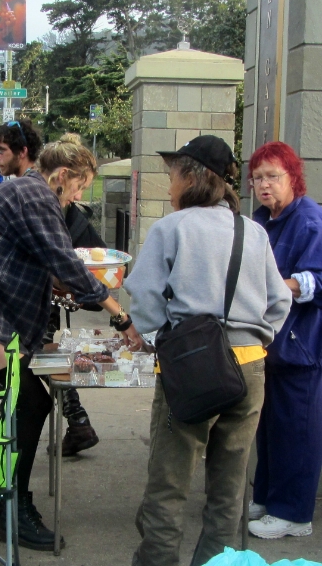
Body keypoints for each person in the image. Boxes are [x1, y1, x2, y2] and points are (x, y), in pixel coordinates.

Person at [0, 137, 143, 552]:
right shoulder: (37, 195)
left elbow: (38, 260)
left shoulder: (20, 188)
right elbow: (67, 263)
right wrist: (121, 316)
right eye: (79, 187)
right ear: (62, 176)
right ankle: (14, 508)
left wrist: (64, 289)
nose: (78, 197)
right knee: (33, 402)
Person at [124, 135, 292, 566]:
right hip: (251, 368)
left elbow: (142, 294)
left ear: (193, 176)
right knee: (229, 490)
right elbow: (280, 301)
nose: (169, 185)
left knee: (169, 485)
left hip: (191, 368)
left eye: (172, 174)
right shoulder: (252, 231)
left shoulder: (171, 228)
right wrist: (255, 339)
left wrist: (163, 338)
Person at [0, 122, 104, 455]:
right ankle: (77, 420)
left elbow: (59, 257)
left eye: (1, 151)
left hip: (23, 302)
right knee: (38, 363)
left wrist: (105, 302)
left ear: (23, 152)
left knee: (28, 371)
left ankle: (9, 455)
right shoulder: (33, 190)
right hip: (29, 297)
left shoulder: (38, 193)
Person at [245, 141, 322, 539]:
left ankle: (294, 513)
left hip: (302, 344)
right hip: (270, 343)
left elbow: (318, 281)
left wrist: (275, 285)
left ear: (293, 177)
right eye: (258, 177)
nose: (264, 185)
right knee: (269, 426)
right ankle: (269, 497)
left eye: (272, 176)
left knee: (297, 429)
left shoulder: (311, 221)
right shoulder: (261, 220)